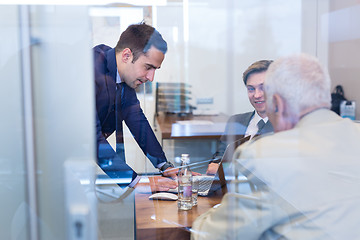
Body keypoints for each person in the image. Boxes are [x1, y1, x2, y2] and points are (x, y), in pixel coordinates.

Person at [192, 53, 360, 239]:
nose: (257, 95)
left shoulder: (263, 156)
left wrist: (209, 217)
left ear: (277, 103)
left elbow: (212, 235)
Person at [93, 23, 177, 187]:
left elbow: (137, 120)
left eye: (155, 70)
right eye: (148, 67)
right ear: (126, 56)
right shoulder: (92, 71)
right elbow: (91, 138)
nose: (151, 77)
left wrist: (164, 165)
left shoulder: (122, 75)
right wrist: (137, 182)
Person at [206, 60, 274, 175]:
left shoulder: (287, 125)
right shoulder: (236, 121)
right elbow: (219, 157)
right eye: (251, 89)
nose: (257, 95)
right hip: (229, 189)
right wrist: (216, 163)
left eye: (263, 88)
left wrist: (226, 169)